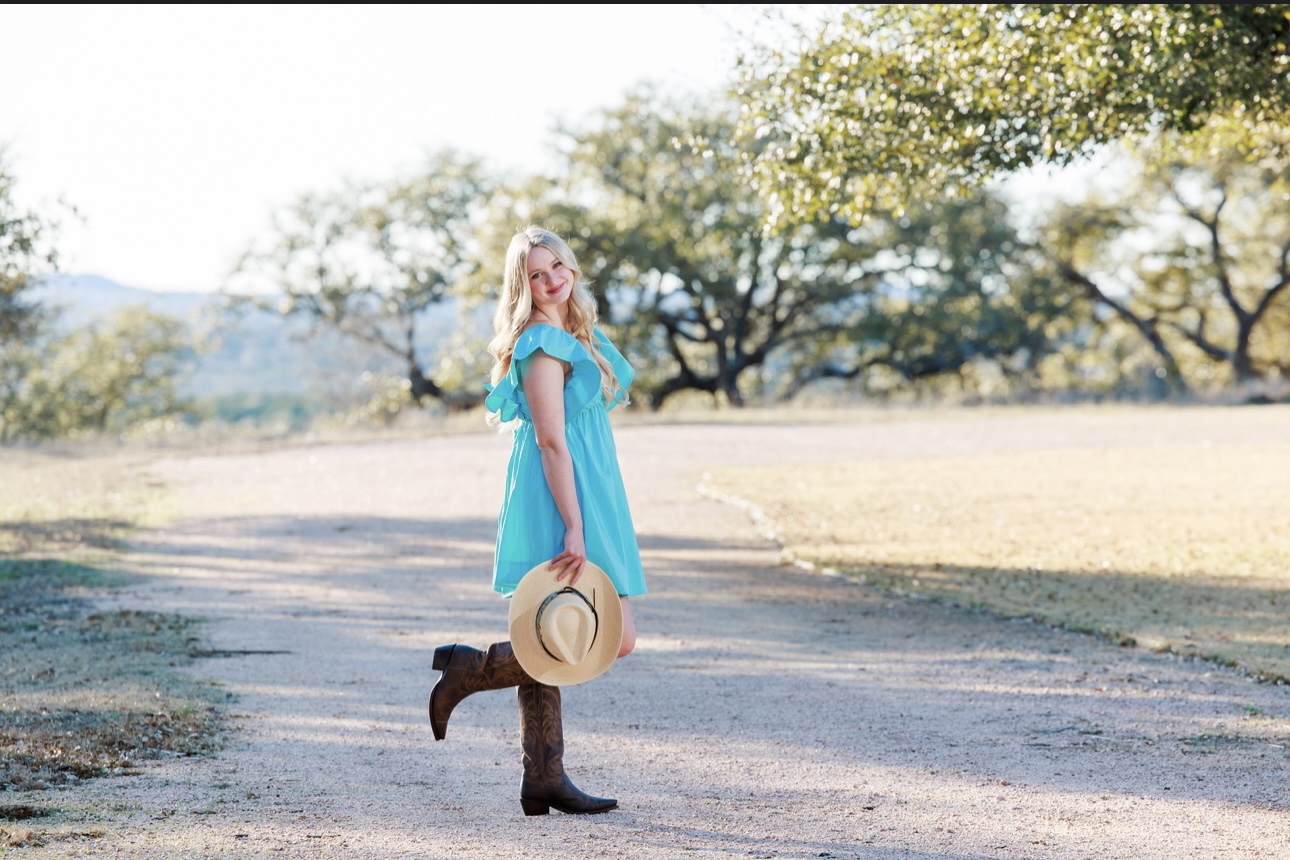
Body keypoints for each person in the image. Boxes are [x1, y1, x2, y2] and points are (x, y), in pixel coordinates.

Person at [427, 225, 646, 816]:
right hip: (562, 496)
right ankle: (471, 670)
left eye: (558, 267)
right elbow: (551, 441)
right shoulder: (543, 344)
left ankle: (543, 775)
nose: (551, 281)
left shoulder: (577, 333)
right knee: (610, 635)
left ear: (572, 267)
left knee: (557, 622)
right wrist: (574, 525)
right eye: (536, 274)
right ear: (522, 286)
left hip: (590, 488)